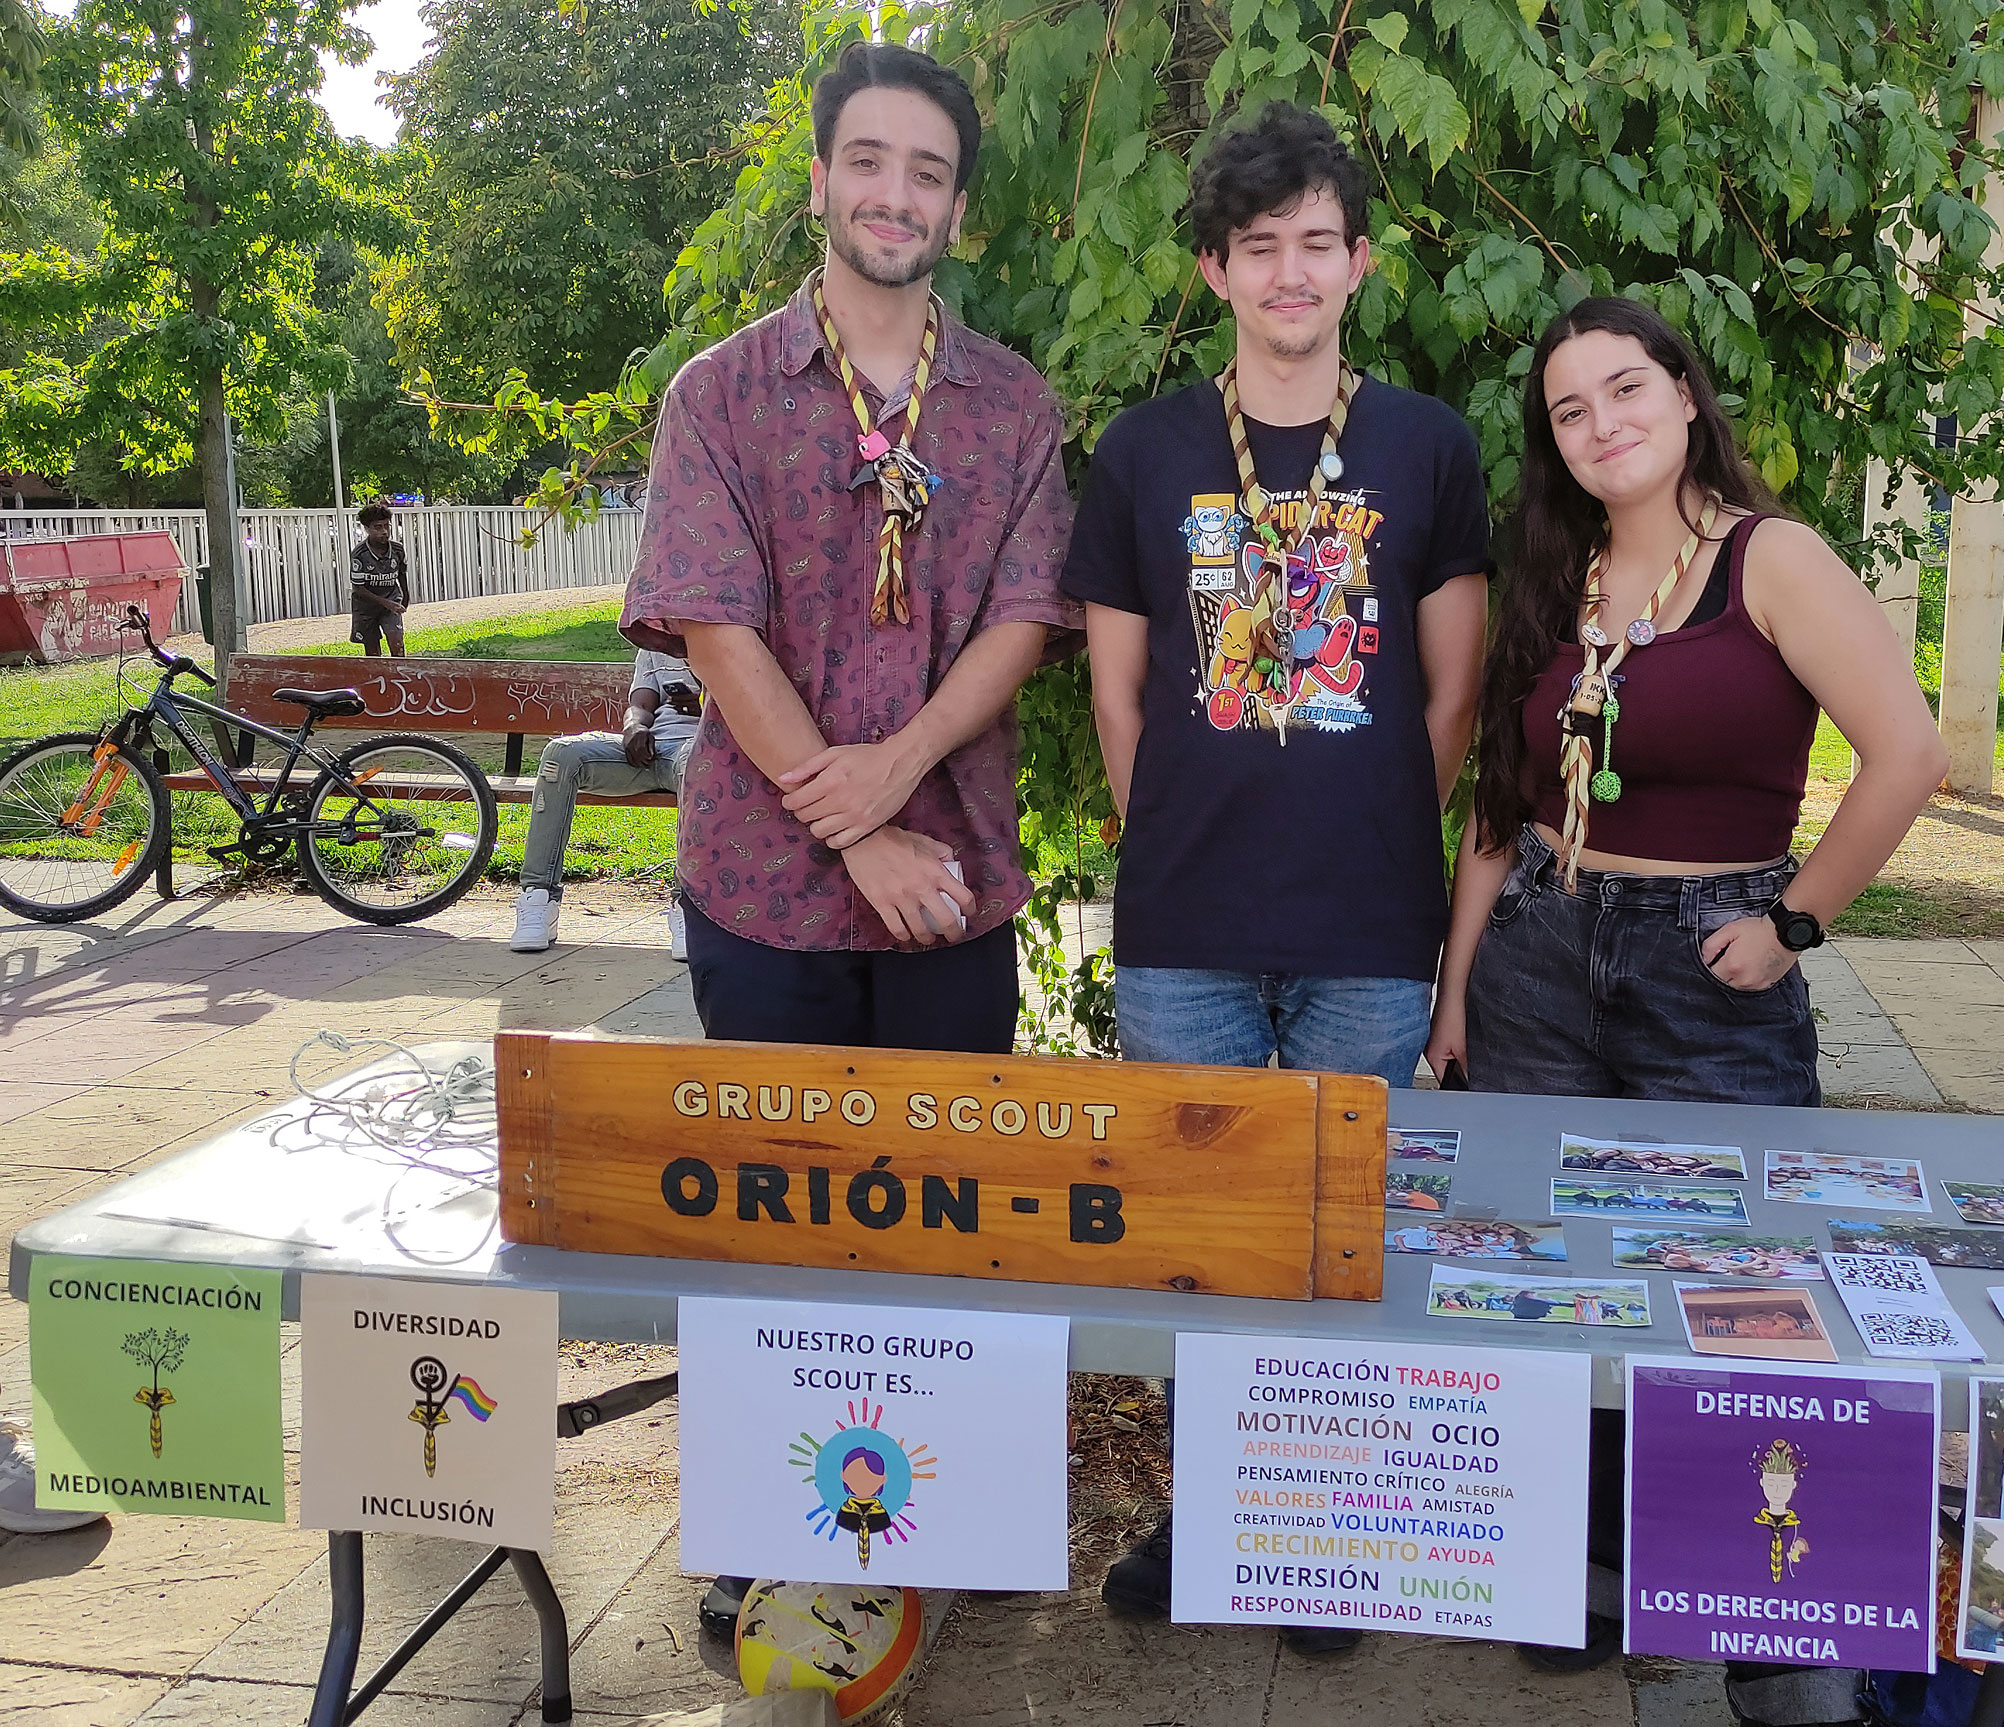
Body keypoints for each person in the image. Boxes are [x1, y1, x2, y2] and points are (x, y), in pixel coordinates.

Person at [616, 41, 1078, 1640]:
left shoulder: (1013, 402)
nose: (896, 195)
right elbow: (714, 628)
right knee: (771, 1224)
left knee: (956, 1213)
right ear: (820, 180)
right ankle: (760, 1520)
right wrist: (850, 819)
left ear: (958, 203)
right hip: (763, 884)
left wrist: (903, 777)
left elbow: (1026, 618)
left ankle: (948, 1511)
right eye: (868, 163)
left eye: (929, 172)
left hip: (955, 881)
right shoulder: (722, 396)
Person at [1424, 298, 1946, 1695]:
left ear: (1686, 394)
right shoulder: (1556, 568)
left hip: (1709, 963)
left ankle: (1776, 1645)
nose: (1602, 423)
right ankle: (1588, 1573)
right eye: (1571, 409)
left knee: (1746, 1294)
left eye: (1625, 388)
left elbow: (1908, 752)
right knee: (1554, 1284)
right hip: (1542, 945)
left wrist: (1792, 925)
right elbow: (1501, 800)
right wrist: (1460, 983)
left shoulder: (1770, 559)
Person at [1062, 100, 1490, 1657]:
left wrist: (1372, 829)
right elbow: (1118, 696)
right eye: (1262, 248)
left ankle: (1323, 1531)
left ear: (1360, 263)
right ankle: (1211, 1513)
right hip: (1186, 920)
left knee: (1332, 1238)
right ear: (1217, 269)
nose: (1292, 273)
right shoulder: (1148, 448)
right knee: (1200, 1234)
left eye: (1319, 242)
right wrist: (1182, 833)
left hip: (1369, 923)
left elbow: (1450, 695)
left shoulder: (1428, 447)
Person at [507, 651, 705, 958]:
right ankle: (539, 897)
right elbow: (640, 704)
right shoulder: (654, 640)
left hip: (700, 749)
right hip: (651, 749)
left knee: (697, 764)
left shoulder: (729, 634)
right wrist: (634, 728)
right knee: (561, 755)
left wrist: (706, 704)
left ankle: (687, 908)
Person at [349, 502, 409, 657]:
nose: (384, 532)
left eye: (386, 526)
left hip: (391, 599)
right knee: (372, 651)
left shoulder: (397, 550)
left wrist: (404, 599)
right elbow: (358, 588)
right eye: (378, 527)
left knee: (396, 641)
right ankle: (377, 680)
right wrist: (386, 603)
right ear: (367, 529)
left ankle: (400, 678)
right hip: (366, 606)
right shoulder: (360, 554)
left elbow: (401, 574)